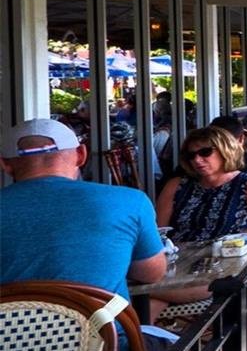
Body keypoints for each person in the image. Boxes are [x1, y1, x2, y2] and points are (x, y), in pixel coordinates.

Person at [0, 118, 167, 298]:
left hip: (10, 325)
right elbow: (152, 273)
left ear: (5, 165)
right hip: (102, 326)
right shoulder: (131, 201)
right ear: (81, 154)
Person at [151, 126, 247, 316]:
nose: (197, 160)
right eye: (191, 155)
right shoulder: (176, 185)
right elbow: (160, 231)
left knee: (142, 296)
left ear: (224, 149)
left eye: (205, 152)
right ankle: (158, 342)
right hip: (176, 264)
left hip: (219, 268)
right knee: (147, 302)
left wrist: (240, 237)